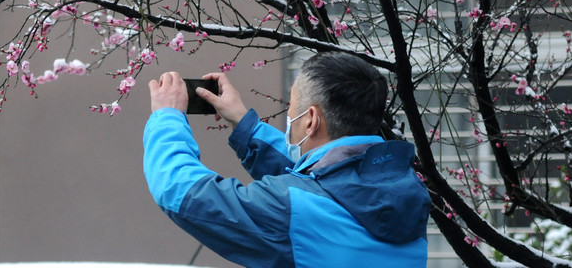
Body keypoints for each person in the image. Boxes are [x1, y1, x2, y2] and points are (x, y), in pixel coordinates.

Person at [143, 51, 430, 268]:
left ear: (312, 120)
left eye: (293, 109)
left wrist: (167, 117)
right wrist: (246, 126)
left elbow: (180, 191)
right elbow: (324, 183)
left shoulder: (292, 211)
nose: (290, 119)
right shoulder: (404, 188)